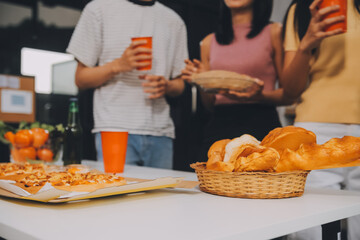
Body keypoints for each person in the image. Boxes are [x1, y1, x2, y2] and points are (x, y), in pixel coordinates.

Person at [67, 0, 188, 169]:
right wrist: (118, 65)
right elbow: (80, 79)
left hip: (161, 131)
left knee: (162, 195)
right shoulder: (98, 9)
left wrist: (167, 86)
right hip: (114, 128)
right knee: (115, 192)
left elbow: (180, 84)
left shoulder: (174, 21)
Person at [281, 0, 360, 239]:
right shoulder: (302, 9)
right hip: (315, 129)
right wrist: (306, 46)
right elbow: (290, 90)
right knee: (312, 228)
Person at [181, 0, 292, 162]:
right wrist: (202, 82)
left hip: (261, 122)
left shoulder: (274, 32)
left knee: (262, 184)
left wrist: (259, 96)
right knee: (211, 182)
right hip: (219, 126)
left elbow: (289, 95)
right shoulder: (208, 42)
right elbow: (209, 104)